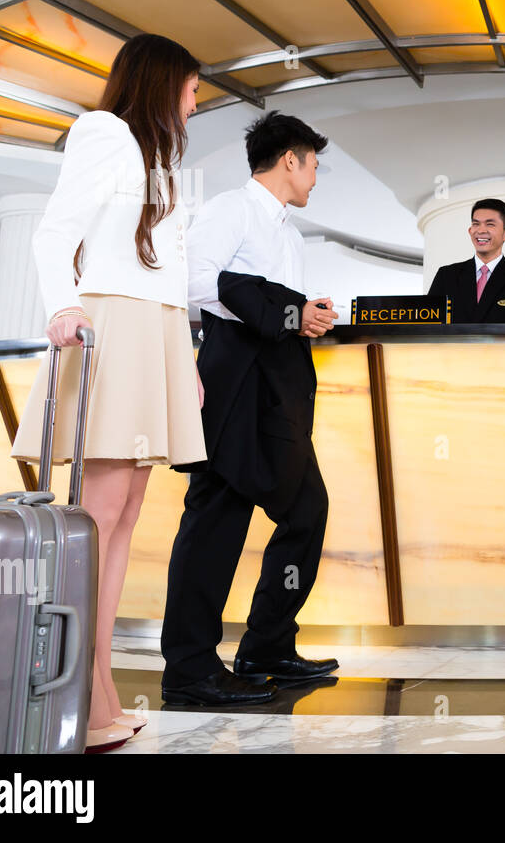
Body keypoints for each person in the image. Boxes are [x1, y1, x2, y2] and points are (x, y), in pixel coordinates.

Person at [8, 33, 207, 753]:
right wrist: (62, 305)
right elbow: (55, 230)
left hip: (152, 331)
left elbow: (171, 273)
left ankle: (95, 695)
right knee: (95, 521)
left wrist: (181, 358)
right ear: (161, 83)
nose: (195, 101)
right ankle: (79, 698)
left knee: (122, 519)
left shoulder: (162, 164)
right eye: (190, 87)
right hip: (111, 323)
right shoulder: (104, 133)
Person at [160, 111, 339, 706]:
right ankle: (189, 667)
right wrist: (286, 311)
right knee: (216, 518)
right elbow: (191, 282)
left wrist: (302, 317)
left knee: (305, 510)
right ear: (291, 159)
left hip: (280, 385)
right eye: (313, 165)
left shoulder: (288, 233)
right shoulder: (230, 210)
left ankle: (266, 646)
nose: (315, 177)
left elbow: (272, 306)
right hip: (235, 381)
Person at [427, 198, 505, 323]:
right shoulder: (447, 275)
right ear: (470, 231)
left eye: (490, 224)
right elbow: (428, 324)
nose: (480, 230)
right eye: (476, 224)